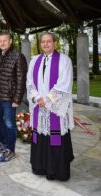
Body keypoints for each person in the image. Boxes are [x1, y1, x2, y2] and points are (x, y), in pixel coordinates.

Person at [27, 32, 74, 181]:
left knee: (56, 135)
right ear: (40, 44)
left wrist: (47, 100)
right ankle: (40, 167)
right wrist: (36, 97)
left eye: (49, 41)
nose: (46, 44)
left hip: (54, 107)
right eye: (43, 42)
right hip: (39, 106)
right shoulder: (34, 61)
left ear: (54, 43)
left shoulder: (64, 61)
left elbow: (63, 86)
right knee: (41, 136)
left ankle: (57, 171)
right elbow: (30, 83)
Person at [0, 32, 27, 162]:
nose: (2, 43)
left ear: (10, 41)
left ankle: (10, 150)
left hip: (10, 98)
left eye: (5, 40)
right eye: (0, 41)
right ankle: (4, 144)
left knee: (9, 124)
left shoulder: (18, 56)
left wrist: (17, 99)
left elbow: (21, 80)